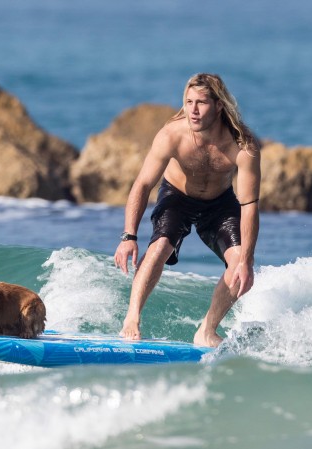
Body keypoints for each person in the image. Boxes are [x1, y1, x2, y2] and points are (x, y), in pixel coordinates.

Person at [114, 73, 261, 347]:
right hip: (177, 198)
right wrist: (128, 236)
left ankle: (206, 330)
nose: (193, 110)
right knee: (160, 246)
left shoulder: (242, 145)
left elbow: (249, 207)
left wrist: (247, 261)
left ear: (219, 106)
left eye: (201, 103)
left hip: (220, 204)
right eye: (189, 102)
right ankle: (132, 318)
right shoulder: (172, 134)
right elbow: (143, 184)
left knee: (238, 262)